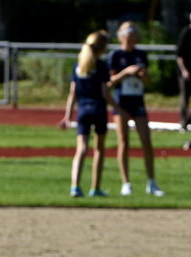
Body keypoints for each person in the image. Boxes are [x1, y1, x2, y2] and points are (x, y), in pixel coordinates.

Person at [108, 21, 164, 197]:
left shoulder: (141, 54)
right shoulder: (115, 55)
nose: (133, 37)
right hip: (121, 102)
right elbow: (110, 82)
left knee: (146, 142)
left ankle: (152, 182)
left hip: (138, 102)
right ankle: (126, 183)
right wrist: (126, 72)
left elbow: (148, 84)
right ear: (122, 36)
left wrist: (143, 75)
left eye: (134, 33)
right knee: (123, 142)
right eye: (129, 33)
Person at [60, 30, 114, 198]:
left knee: (81, 148)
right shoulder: (102, 66)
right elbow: (105, 93)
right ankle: (95, 187)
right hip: (98, 109)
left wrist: (67, 115)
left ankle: (75, 185)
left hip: (83, 110)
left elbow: (72, 93)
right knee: (99, 150)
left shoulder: (79, 66)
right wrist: (117, 108)